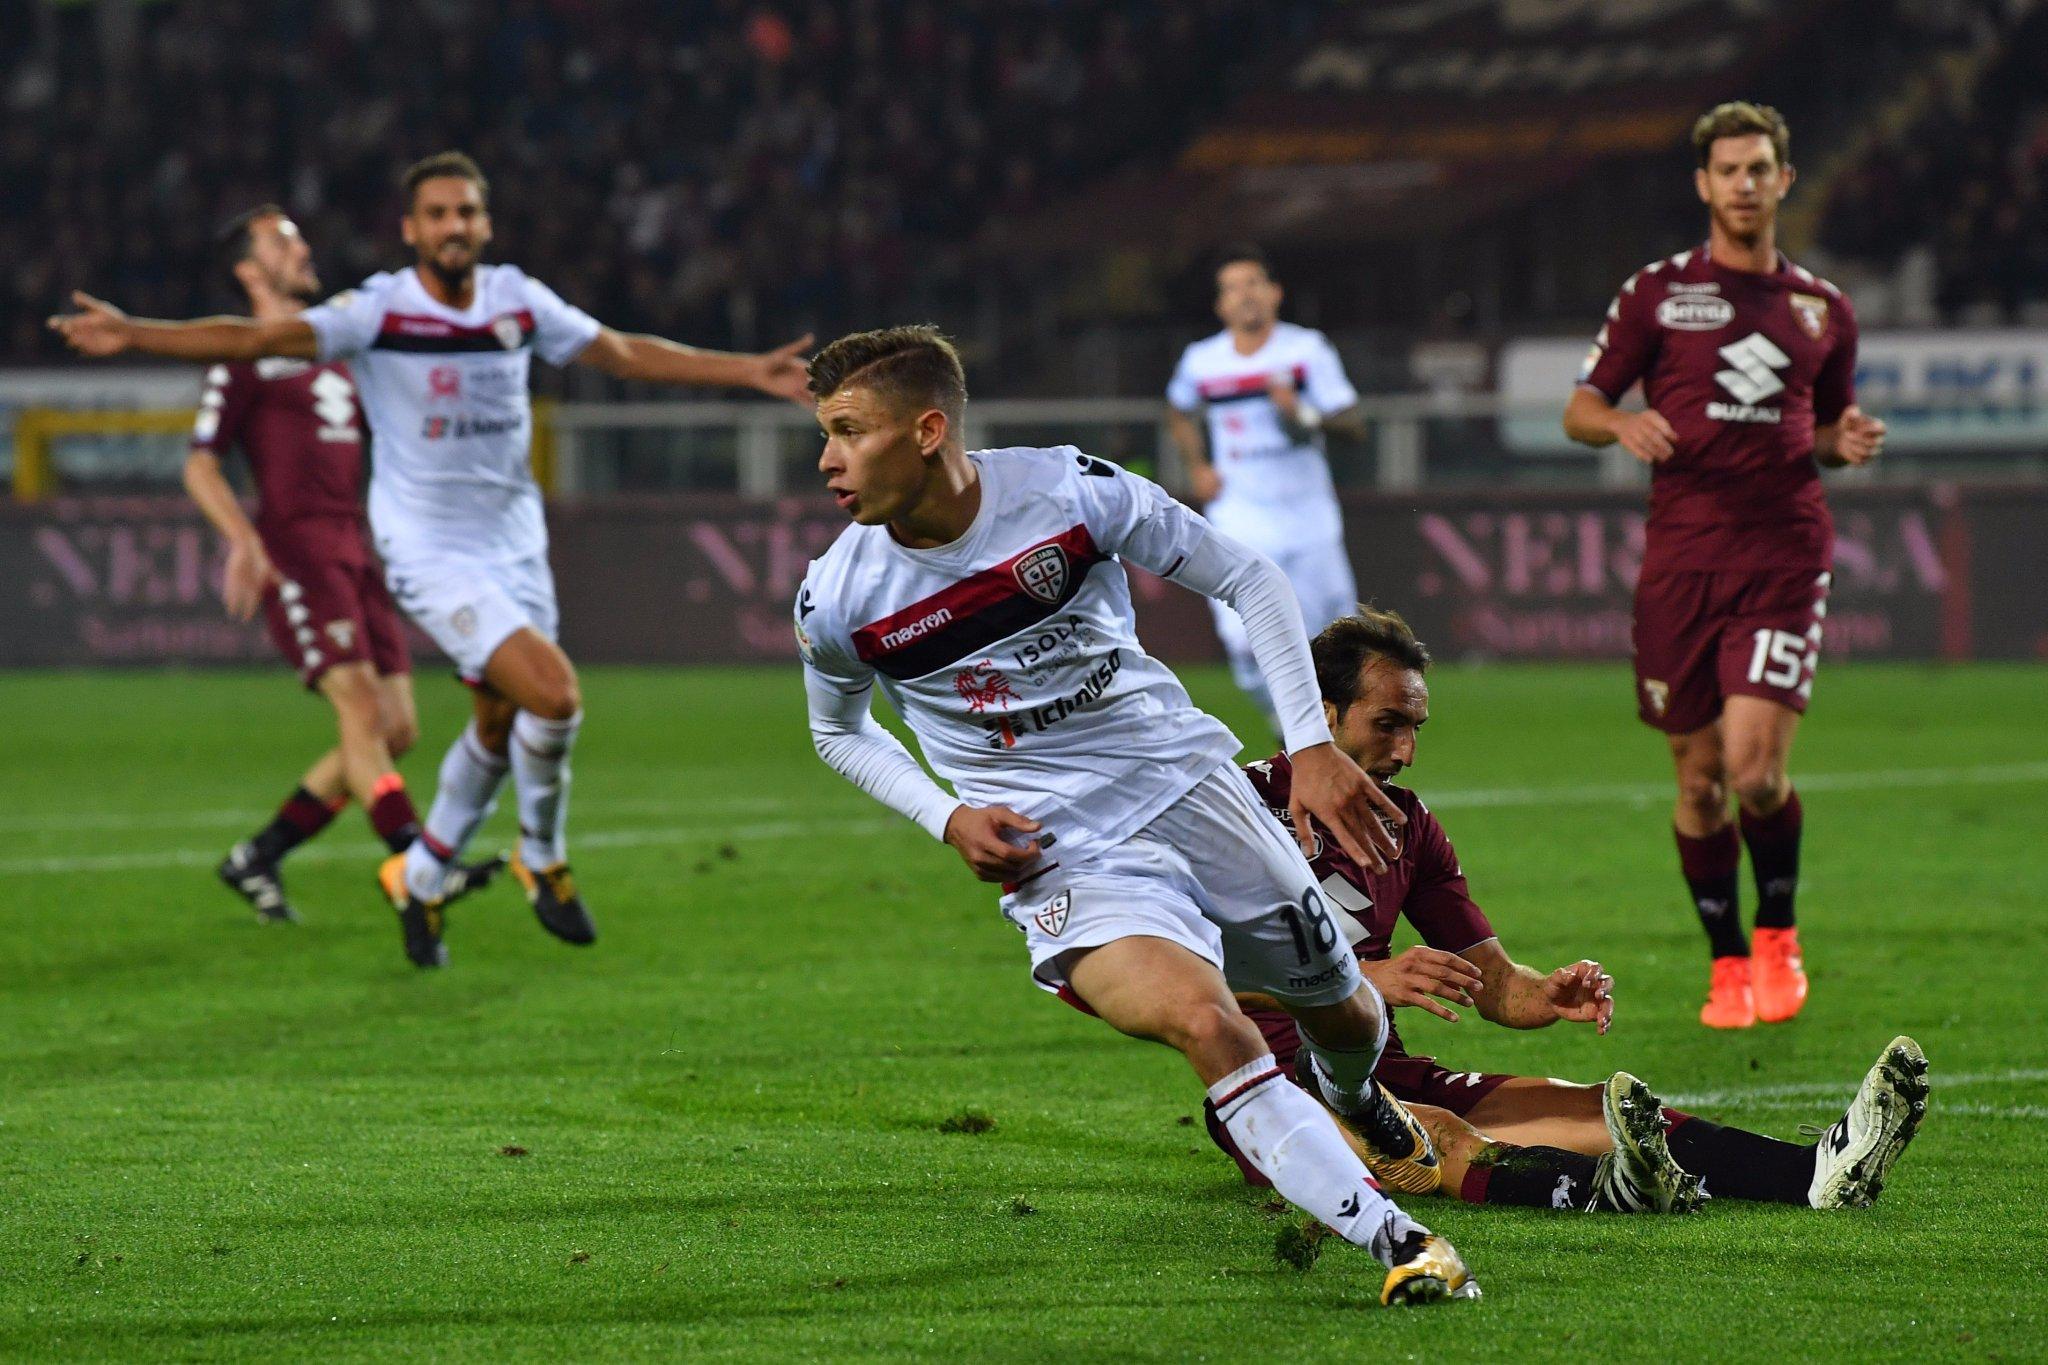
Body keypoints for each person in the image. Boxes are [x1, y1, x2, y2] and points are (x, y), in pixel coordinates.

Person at [796, 324, 1476, 1306]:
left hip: (1187, 789)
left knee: (1340, 1004)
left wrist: (1312, 744)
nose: (825, 461)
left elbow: (1247, 577)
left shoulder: (1067, 495)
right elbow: (837, 731)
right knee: (1207, 1020)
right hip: (1064, 856)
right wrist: (945, 817)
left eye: (847, 432)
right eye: (823, 434)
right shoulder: (840, 598)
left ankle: (1355, 1096)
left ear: (927, 431)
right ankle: (1403, 1244)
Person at [52, 152, 812, 968]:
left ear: (485, 224)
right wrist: (134, 330)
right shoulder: (379, 310)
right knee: (553, 696)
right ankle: (542, 854)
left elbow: (619, 352)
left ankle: (417, 874)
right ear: (411, 229)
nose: (455, 227)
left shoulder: (516, 299)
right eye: (439, 214)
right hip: (428, 549)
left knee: (495, 717)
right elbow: (258, 335)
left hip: (516, 543)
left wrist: (745, 369)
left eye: (468, 213)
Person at [1209, 607, 1927, 1212]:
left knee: (1605, 1110)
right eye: (1388, 724)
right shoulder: (1233, 811)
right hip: (1267, 1086)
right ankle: (1612, 1190)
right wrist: (1358, 980)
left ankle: (1813, 1173)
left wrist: (1542, 993)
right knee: (1431, 1135)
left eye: (1417, 726)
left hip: (1381, 1068)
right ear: (1322, 712)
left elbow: (1491, 979)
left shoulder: (1409, 826)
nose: (1408, 751)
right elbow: (1180, 975)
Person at [1562, 102, 1887, 1027]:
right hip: (1682, 564)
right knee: (1698, 780)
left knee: (1754, 773)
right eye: (1728, 170)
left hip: (1784, 554)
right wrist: (1621, 420)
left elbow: (1821, 426)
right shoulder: (1657, 294)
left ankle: (1779, 929)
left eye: (1760, 169)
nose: (1744, 185)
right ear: (1703, 185)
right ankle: (1728, 960)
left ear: (1784, 180)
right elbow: (1580, 408)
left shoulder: (1823, 309)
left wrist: (1841, 438)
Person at [184, 204, 495, 924]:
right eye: (281, 242)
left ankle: (257, 855)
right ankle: (421, 864)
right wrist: (244, 537)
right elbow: (200, 466)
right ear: (248, 270)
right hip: (297, 550)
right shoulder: (244, 353)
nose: (301, 249)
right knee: (359, 711)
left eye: (298, 236)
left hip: (355, 547)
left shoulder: (334, 346)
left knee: (394, 729)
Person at [1165, 245, 1365, 734]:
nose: (1245, 295)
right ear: (1221, 306)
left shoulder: (1305, 350)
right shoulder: (1203, 360)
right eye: (1233, 288)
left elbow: (1353, 424)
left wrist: (1303, 414)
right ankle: (1286, 722)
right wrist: (1198, 465)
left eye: (1253, 282)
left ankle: (1334, 732)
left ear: (1275, 293)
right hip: (1240, 514)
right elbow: (1177, 410)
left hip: (1308, 513)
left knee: (1335, 639)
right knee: (1241, 638)